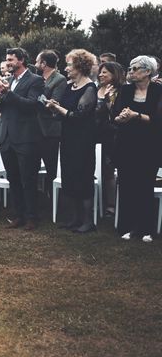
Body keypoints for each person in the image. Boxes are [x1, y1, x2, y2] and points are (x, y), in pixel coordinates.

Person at [46, 49, 98, 233]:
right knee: (69, 176)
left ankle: (88, 221)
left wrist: (58, 108)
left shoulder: (90, 88)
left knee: (82, 176)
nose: (66, 69)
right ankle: (75, 219)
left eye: (69, 65)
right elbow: (64, 114)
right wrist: (53, 107)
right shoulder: (69, 86)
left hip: (83, 140)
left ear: (80, 66)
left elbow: (78, 115)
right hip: (67, 137)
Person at [0, 48, 45, 230]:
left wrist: (9, 94)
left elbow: (32, 106)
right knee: (13, 178)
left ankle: (32, 217)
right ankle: (18, 215)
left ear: (21, 60)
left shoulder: (35, 80)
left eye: (11, 60)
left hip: (25, 136)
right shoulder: (7, 80)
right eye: (6, 60)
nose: (7, 63)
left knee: (28, 179)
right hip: (6, 136)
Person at [112, 56, 162, 242]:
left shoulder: (158, 90)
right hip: (127, 144)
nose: (130, 72)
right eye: (130, 68)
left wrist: (137, 115)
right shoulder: (126, 90)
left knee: (145, 187)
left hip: (149, 145)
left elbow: (158, 121)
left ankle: (147, 228)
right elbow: (115, 116)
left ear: (147, 71)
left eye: (135, 68)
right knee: (127, 186)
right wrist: (121, 118)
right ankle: (129, 226)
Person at [35, 50, 67, 193]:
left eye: (37, 61)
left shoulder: (59, 79)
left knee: (51, 166)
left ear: (44, 63)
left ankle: (51, 198)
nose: (35, 64)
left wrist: (35, 98)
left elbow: (56, 103)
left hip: (50, 129)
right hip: (35, 128)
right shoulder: (37, 77)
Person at [95, 61, 125, 218]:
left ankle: (111, 206)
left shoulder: (121, 91)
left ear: (114, 74)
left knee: (108, 170)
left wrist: (107, 101)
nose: (101, 75)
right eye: (100, 72)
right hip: (94, 135)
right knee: (96, 169)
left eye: (105, 72)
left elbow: (116, 114)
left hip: (111, 135)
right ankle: (97, 201)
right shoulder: (95, 89)